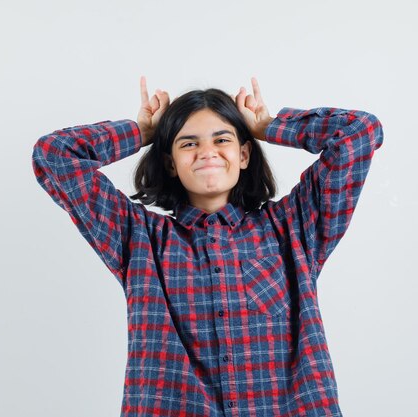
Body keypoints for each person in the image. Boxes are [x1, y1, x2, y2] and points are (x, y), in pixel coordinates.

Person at [32, 76, 384, 417]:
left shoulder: (294, 226)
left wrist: (268, 126)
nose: (207, 152)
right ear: (171, 163)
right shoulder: (137, 238)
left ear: (244, 154)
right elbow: (54, 155)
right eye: (188, 143)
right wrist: (142, 133)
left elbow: (360, 132)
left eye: (222, 139)